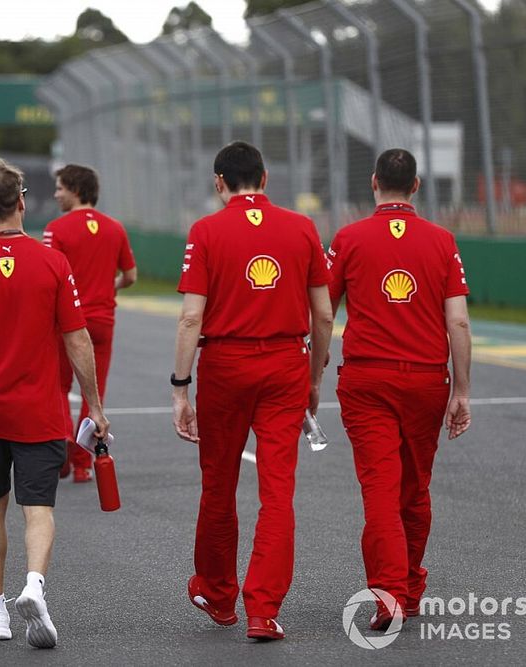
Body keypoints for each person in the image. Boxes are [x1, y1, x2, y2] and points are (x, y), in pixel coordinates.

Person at [0, 158, 110, 648]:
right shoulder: (52, 262)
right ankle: (33, 584)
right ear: (20, 202)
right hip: (38, 408)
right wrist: (94, 405)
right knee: (39, 508)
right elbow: (78, 340)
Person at [172, 141, 333, 641]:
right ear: (265, 178)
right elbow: (324, 314)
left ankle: (219, 597)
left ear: (219, 182)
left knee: (218, 485)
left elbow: (191, 317)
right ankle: (264, 609)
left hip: (224, 365)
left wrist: (181, 387)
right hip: (287, 362)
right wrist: (313, 379)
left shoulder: (206, 231)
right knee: (278, 490)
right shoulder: (302, 227)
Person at [328, 148, 471, 630]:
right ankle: (408, 588)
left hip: (367, 379)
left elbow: (323, 312)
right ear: (415, 186)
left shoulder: (348, 238)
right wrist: (463, 392)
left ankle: (389, 594)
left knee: (381, 491)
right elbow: (459, 321)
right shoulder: (441, 239)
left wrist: (312, 368)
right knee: (415, 489)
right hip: (428, 378)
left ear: (374, 183)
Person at [44, 164, 136, 482]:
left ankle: (62, 440)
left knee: (58, 385)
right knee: (93, 392)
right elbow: (131, 275)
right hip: (103, 319)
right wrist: (110, 287)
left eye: (59, 188)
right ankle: (84, 464)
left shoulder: (56, 229)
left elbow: (47, 279)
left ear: (75, 190)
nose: (56, 194)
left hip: (68, 321)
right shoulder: (115, 228)